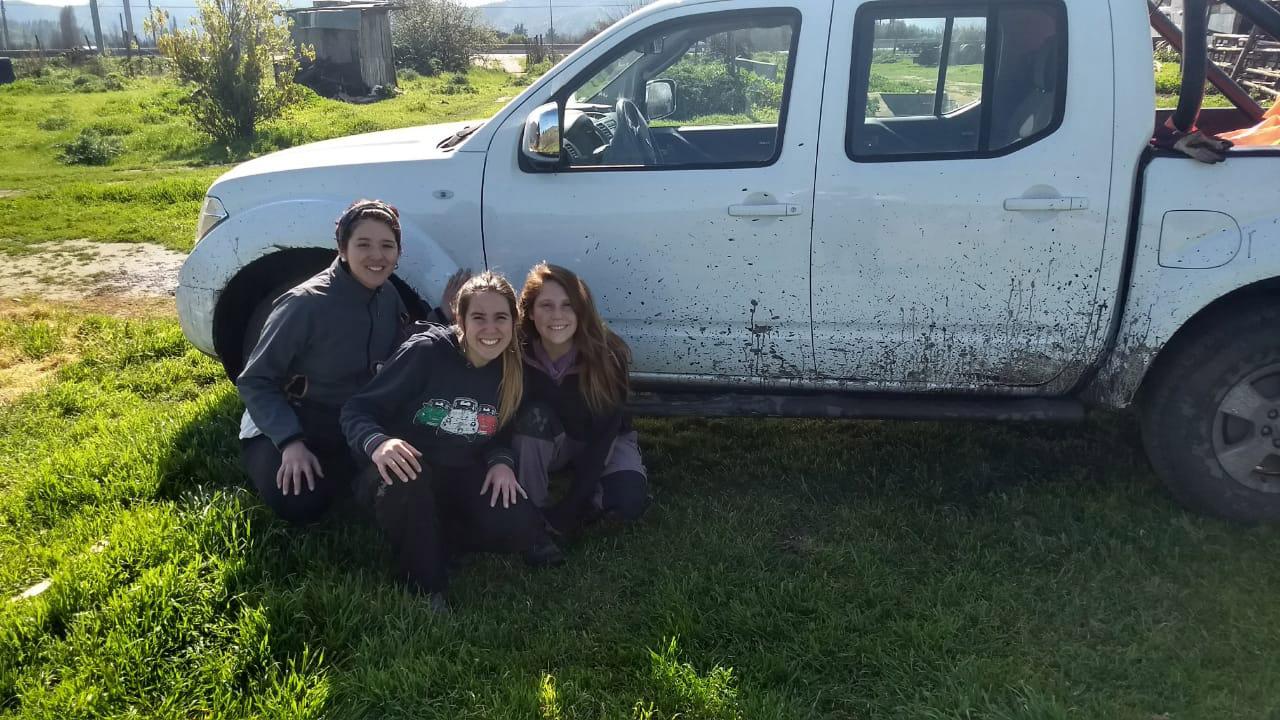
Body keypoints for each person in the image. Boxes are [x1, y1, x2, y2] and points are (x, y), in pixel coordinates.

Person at [341, 271, 562, 610]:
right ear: (460, 319)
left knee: (518, 526)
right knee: (409, 481)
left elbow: (498, 429)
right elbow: (358, 408)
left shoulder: (511, 367)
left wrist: (502, 462)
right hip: (405, 468)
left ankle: (438, 534)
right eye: (478, 317)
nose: (491, 328)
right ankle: (424, 585)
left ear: (515, 321)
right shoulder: (425, 352)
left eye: (501, 317)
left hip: (461, 469)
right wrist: (379, 443)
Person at [236, 199, 457, 524]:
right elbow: (255, 380)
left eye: (387, 245)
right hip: (296, 420)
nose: (376, 256)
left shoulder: (388, 295)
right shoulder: (303, 304)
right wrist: (290, 442)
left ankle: (349, 474)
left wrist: (442, 317)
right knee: (300, 503)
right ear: (342, 247)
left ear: (398, 253)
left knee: (416, 469)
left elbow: (403, 348)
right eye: (363, 244)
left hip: (352, 420)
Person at [513, 262, 648, 538]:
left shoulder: (607, 356)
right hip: (551, 440)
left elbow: (604, 437)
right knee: (533, 418)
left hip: (602, 440)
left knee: (627, 504)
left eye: (568, 305)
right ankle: (530, 514)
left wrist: (572, 506)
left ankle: (590, 505)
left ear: (582, 310)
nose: (557, 315)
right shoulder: (517, 354)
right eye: (546, 305)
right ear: (529, 312)